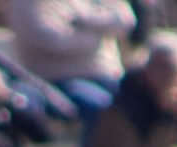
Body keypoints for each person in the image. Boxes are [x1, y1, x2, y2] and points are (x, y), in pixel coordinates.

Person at [8, 0, 137, 125]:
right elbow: (52, 39)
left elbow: (124, 19)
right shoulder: (26, 3)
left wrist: (86, 21)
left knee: (141, 101)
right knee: (106, 110)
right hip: (60, 80)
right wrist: (99, 34)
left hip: (110, 76)